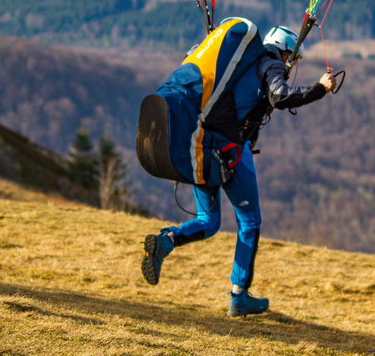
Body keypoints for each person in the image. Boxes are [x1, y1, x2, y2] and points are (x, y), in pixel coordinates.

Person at [141, 25, 337, 317]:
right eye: (292, 58)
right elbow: (280, 96)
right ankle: (239, 295)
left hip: (202, 145)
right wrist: (320, 88)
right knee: (249, 221)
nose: (291, 63)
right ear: (284, 50)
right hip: (232, 151)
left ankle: (166, 241)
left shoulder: (239, 64)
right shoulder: (270, 63)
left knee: (208, 220)